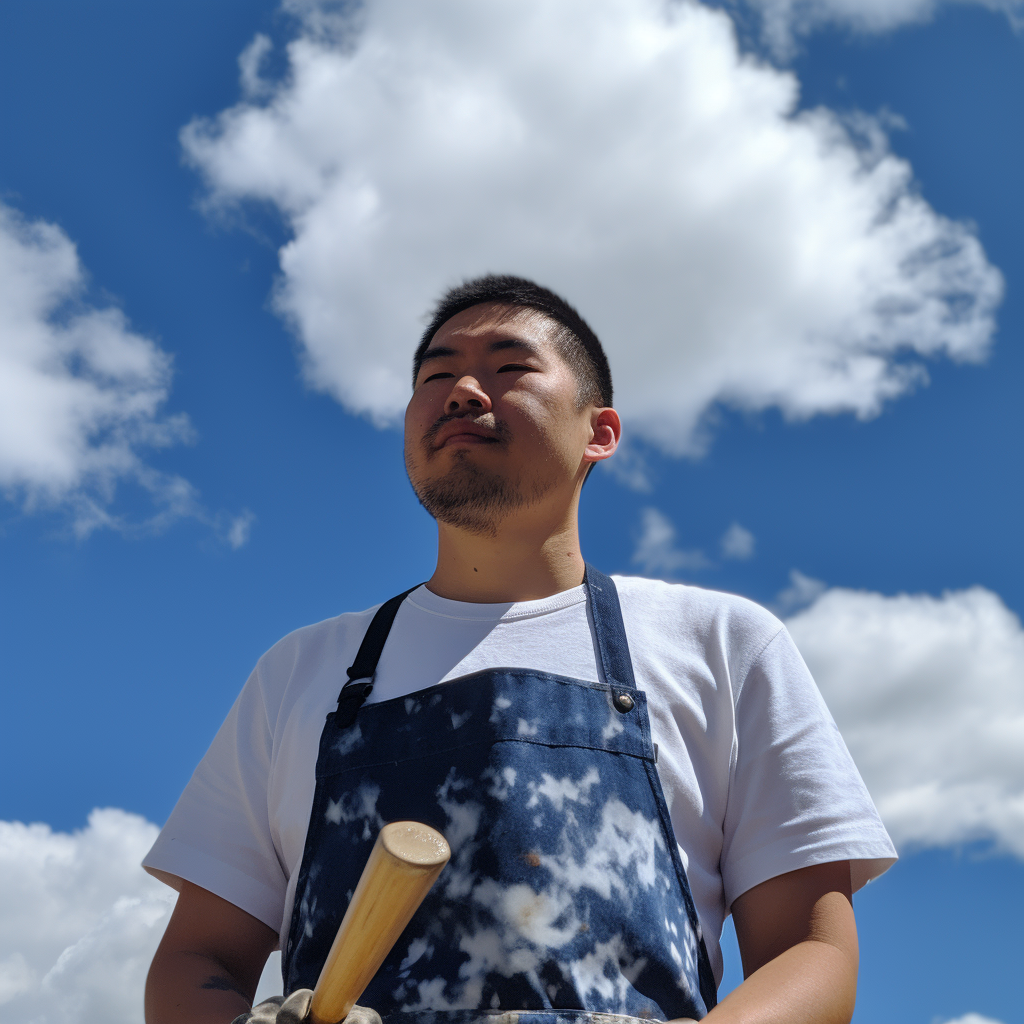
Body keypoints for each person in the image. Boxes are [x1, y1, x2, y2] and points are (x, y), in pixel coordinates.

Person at [143, 275, 896, 1024]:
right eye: (437, 375)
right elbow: (198, 960)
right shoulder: (300, 673)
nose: (464, 391)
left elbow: (812, 952)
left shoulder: (724, 645)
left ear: (598, 432)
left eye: (510, 369)